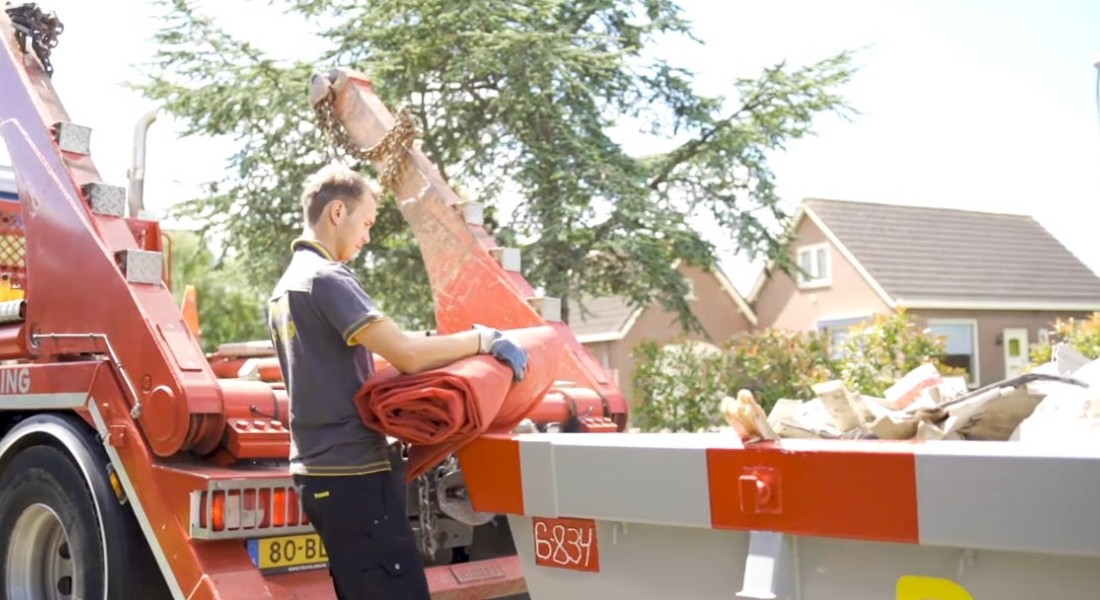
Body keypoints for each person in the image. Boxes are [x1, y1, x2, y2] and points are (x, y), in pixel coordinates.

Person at [267, 162, 528, 599]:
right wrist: (482, 340)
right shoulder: (326, 279)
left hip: (320, 474)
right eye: (365, 222)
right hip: (354, 473)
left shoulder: (286, 286)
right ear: (337, 212)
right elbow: (405, 353)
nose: (367, 236)